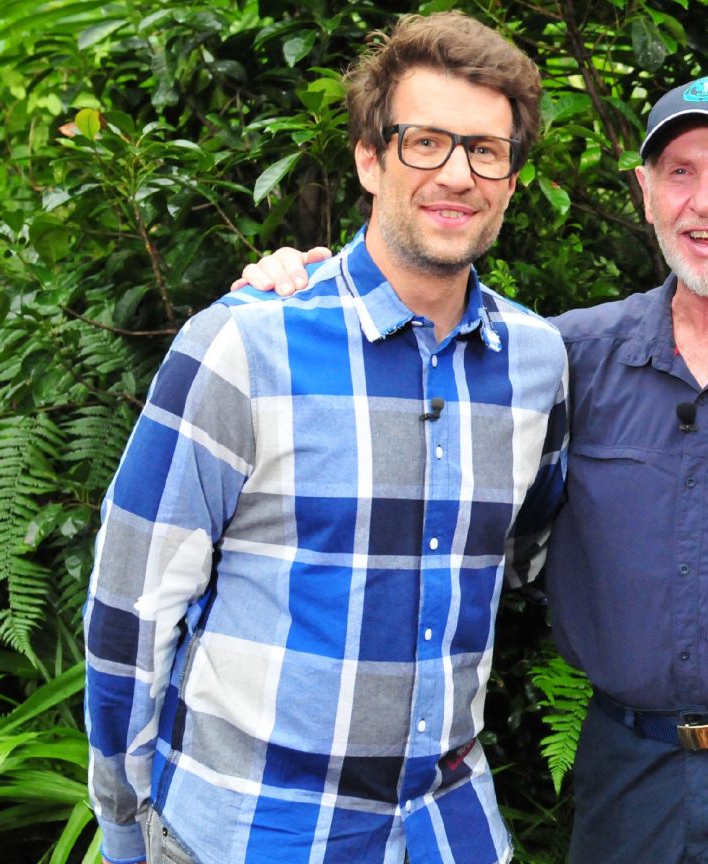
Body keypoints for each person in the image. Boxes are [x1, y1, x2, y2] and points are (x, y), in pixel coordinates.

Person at [239, 75, 708, 863]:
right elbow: (417, 376)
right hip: (624, 775)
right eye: (678, 172)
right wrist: (298, 290)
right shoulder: (562, 358)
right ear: (645, 193)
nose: (705, 201)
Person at [83, 13, 568, 864]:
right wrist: (126, 825)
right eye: (425, 142)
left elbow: (525, 556)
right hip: (253, 828)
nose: (458, 174)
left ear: (513, 178)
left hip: (445, 828)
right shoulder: (246, 345)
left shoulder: (535, 363)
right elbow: (133, 604)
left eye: (487, 151)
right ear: (369, 158)